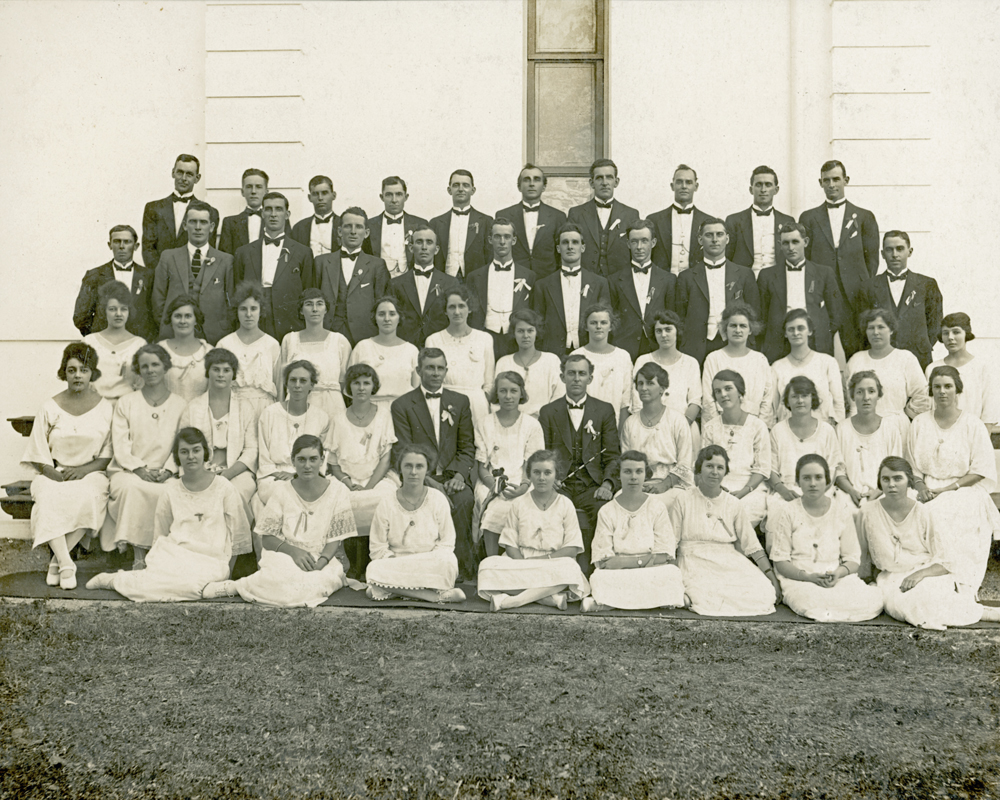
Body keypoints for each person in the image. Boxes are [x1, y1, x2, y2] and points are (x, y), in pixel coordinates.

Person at [88, 428, 252, 601]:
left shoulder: (223, 487)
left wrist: (227, 570)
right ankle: (114, 580)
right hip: (176, 554)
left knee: (189, 583)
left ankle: (210, 586)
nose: (191, 456)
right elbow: (161, 534)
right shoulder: (171, 490)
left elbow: (239, 533)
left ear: (205, 453)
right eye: (184, 452)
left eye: (196, 450)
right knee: (161, 580)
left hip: (211, 559)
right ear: (177, 457)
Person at [203, 435, 355, 606]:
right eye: (301, 460)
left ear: (322, 460)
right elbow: (267, 538)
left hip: (322, 558)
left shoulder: (337, 490)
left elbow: (335, 538)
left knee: (310, 585)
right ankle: (237, 586)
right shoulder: (283, 491)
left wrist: (321, 562)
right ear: (293, 461)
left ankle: (246, 587)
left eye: (313, 459)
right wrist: (294, 552)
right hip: (286, 555)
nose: (307, 466)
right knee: (279, 577)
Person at [858, 457, 1000, 629]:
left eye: (898, 478)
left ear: (909, 481)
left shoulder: (923, 513)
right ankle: (978, 612)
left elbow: (947, 561)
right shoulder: (867, 512)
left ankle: (981, 612)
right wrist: (870, 581)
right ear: (879, 482)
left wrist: (920, 574)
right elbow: (864, 556)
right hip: (891, 578)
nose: (892, 484)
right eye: (885, 479)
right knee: (907, 603)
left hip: (926, 573)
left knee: (929, 596)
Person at [21, 344, 113, 590]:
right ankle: (66, 563)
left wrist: (84, 471)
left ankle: (57, 562)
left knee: (93, 497)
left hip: (91, 473)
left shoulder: (105, 408)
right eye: (72, 370)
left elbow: (108, 453)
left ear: (92, 373)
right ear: (65, 373)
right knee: (47, 498)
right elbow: (38, 451)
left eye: (84, 370)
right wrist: (53, 473)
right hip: (56, 472)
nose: (78, 376)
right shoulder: (50, 407)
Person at [906, 366, 1000, 594]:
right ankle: (918, 575)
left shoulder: (972, 424)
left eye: (948, 386)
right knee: (907, 505)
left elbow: (980, 469)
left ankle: (956, 579)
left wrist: (948, 488)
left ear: (957, 390)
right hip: (926, 485)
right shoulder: (919, 423)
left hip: (962, 487)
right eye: (937, 387)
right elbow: (910, 464)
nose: (942, 392)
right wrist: (919, 486)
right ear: (931, 391)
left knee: (947, 509)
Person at [390, 348, 478, 580]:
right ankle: (424, 568)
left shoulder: (460, 402)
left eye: (440, 368)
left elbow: (467, 446)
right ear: (419, 371)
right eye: (430, 367)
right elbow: (403, 451)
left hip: (452, 477)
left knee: (464, 500)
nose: (435, 373)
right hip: (419, 478)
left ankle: (459, 567)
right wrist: (429, 482)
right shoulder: (402, 405)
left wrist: (459, 477)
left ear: (446, 371)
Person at [768, 454, 883, 622]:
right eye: (806, 478)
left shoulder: (841, 510)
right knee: (811, 604)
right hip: (800, 578)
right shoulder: (788, 511)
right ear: (798, 482)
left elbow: (852, 559)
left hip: (834, 577)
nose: (813, 483)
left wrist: (837, 573)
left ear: (827, 482)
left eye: (818, 477)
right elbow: (780, 561)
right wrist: (808, 577)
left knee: (870, 602)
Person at [667, 445, 779, 616]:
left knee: (763, 591)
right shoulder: (683, 499)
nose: (714, 472)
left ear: (726, 471)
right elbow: (671, 543)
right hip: (693, 559)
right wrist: (674, 578)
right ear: (699, 469)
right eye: (709, 466)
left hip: (727, 558)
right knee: (706, 596)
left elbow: (753, 546)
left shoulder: (733, 503)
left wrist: (771, 577)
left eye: (720, 467)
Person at [103, 344, 188, 566]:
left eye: (155, 365)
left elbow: (182, 443)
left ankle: (164, 557)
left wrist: (168, 469)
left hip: (166, 472)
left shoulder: (180, 404)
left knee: (172, 491)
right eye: (145, 366)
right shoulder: (127, 402)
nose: (150, 370)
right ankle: (138, 556)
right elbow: (120, 444)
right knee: (132, 489)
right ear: (138, 371)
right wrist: (139, 469)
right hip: (129, 470)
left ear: (165, 367)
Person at [477, 449, 590, 611]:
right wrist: (523, 563)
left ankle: (511, 601)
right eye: (536, 472)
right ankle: (549, 598)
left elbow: (572, 548)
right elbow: (510, 544)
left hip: (554, 561)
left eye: (547, 472)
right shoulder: (519, 503)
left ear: (556, 475)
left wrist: (544, 560)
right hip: (521, 561)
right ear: (529, 476)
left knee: (571, 569)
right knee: (487, 567)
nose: (542, 478)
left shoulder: (565, 504)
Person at [538, 354, 620, 572]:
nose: (576, 378)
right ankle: (557, 571)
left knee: (604, 509)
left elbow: (612, 454)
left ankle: (595, 571)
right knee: (553, 510)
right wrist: (549, 480)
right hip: (560, 486)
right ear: (562, 377)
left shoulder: (604, 410)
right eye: (571, 373)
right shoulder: (548, 412)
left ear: (590, 378)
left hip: (592, 486)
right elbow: (542, 454)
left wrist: (608, 485)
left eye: (581, 374)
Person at [584, 451, 685, 612]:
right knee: (599, 577)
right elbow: (603, 560)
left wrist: (627, 562)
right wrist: (644, 561)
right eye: (627, 471)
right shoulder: (607, 510)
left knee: (671, 573)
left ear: (646, 475)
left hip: (647, 570)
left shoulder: (657, 507)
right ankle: (655, 601)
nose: (633, 477)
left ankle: (607, 603)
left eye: (639, 471)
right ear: (618, 475)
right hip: (622, 573)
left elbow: (664, 554)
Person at [799, 160, 879, 359]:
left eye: (836, 179)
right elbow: (805, 258)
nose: (832, 184)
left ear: (846, 180)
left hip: (853, 294)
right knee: (819, 348)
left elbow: (872, 259)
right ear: (820, 183)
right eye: (827, 180)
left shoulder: (864, 216)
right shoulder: (808, 217)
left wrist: (861, 287)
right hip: (821, 293)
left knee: (857, 348)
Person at [365, 444, 466, 603]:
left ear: (427, 470)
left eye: (419, 466)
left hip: (430, 563)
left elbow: (447, 543)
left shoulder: (437, 499)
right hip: (397, 563)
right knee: (373, 569)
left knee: (448, 562)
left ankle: (394, 590)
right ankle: (434, 596)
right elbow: (377, 547)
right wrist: (396, 563)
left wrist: (428, 560)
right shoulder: (386, 502)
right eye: (408, 466)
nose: (413, 472)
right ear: (400, 469)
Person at [328, 364, 399, 577]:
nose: (361, 388)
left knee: (383, 499)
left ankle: (375, 562)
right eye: (356, 383)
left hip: (376, 478)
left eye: (366, 383)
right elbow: (333, 462)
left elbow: (386, 458)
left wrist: (368, 486)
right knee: (338, 500)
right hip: (346, 479)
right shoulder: (338, 418)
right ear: (349, 387)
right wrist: (348, 483)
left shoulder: (384, 415)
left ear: (373, 386)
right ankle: (350, 563)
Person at [474, 372, 544, 556]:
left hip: (523, 480)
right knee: (493, 507)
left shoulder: (532, 425)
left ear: (521, 393)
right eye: (503, 391)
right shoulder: (484, 423)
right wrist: (494, 486)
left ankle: (521, 558)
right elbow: (482, 466)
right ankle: (491, 560)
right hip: (491, 482)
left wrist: (523, 486)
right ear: (496, 394)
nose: (508, 396)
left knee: (521, 504)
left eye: (513, 391)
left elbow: (533, 464)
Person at [178, 347, 258, 506]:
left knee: (239, 491)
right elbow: (183, 445)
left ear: (233, 374)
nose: (221, 374)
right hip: (199, 470)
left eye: (226, 370)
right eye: (216, 369)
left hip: (235, 473)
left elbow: (251, 449)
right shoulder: (193, 407)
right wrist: (203, 472)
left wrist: (228, 474)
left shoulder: (245, 407)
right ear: (208, 372)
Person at [675, 219, 760, 366]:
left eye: (719, 234)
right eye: (709, 235)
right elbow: (679, 317)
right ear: (700, 240)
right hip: (697, 347)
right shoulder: (686, 277)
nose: (715, 240)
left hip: (733, 343)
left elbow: (754, 314)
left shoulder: (745, 275)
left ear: (727, 239)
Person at [254, 360, 332, 519]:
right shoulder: (270, 413)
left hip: (309, 475)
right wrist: (276, 473)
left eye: (303, 381)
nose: (297, 385)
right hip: (274, 478)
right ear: (286, 384)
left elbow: (322, 458)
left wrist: (297, 475)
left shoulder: (321, 418)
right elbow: (264, 457)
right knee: (284, 495)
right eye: (293, 380)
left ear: (312, 385)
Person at [234, 192, 314, 342]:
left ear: (287, 214)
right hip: (256, 317)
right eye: (268, 209)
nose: (273, 214)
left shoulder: (303, 252)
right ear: (262, 213)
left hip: (289, 319)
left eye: (278, 209)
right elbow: (237, 290)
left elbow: (307, 291)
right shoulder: (243, 252)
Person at [152, 200, 234, 345]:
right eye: (192, 222)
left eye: (203, 222)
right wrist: (168, 324)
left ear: (212, 227)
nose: (197, 227)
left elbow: (231, 301)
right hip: (173, 333)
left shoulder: (226, 260)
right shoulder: (168, 257)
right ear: (184, 225)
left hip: (214, 335)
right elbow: (158, 299)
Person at [757, 223, 842, 363]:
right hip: (779, 341)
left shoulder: (824, 273)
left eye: (795, 242)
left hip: (814, 341)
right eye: (786, 243)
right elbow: (762, 315)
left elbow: (836, 313)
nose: (791, 248)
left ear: (806, 242)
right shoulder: (767, 276)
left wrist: (819, 332)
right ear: (780, 245)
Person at [767, 377, 847, 527]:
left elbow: (833, 468)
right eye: (794, 396)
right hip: (787, 492)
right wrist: (783, 490)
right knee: (779, 515)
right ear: (787, 401)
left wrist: (814, 493)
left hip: (820, 491)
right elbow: (770, 469)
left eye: (804, 396)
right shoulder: (778, 430)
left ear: (813, 399)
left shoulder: (826, 430)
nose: (800, 401)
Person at [860, 230, 942, 371]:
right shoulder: (868, 287)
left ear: (909, 252)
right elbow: (862, 327)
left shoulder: (927, 284)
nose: (895, 255)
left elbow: (935, 324)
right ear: (882, 254)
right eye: (889, 250)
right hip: (881, 359)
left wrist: (919, 345)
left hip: (918, 358)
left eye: (900, 249)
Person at [701, 370, 771, 527]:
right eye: (718, 391)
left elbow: (762, 468)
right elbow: (704, 465)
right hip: (717, 486)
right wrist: (717, 488)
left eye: (728, 388)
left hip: (749, 489)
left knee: (740, 515)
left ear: (740, 392)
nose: (723, 394)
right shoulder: (710, 427)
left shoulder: (757, 426)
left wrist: (744, 491)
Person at [316, 206, 392, 346]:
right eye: (348, 226)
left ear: (366, 232)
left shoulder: (377, 265)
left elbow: (381, 303)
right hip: (328, 333)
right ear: (339, 231)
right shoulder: (321, 262)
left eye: (358, 227)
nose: (353, 232)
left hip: (364, 335)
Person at [532, 223, 611, 355]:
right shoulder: (543, 285)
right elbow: (537, 325)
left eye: (575, 242)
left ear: (583, 247)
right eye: (565, 242)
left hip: (589, 350)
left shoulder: (599, 283)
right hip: (553, 353)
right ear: (558, 248)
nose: (570, 247)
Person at [835, 370, 909, 508]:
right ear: (852, 396)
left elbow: (896, 468)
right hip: (849, 494)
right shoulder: (842, 429)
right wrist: (851, 491)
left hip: (883, 492)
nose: (866, 397)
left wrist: (879, 491)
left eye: (871, 391)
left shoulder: (890, 428)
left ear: (879, 395)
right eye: (859, 392)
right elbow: (838, 470)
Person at [466, 217, 537, 359]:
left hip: (515, 341)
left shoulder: (529, 276)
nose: (502, 242)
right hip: (485, 338)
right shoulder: (475, 276)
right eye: (497, 237)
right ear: (490, 239)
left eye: (507, 237)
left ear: (514, 240)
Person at [276, 289, 351, 421]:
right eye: (309, 304)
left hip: (332, 407)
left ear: (326, 309)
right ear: (301, 310)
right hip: (297, 406)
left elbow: (345, 382)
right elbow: (282, 382)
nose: (314, 309)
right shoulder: (290, 340)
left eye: (319, 304)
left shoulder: (339, 341)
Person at [425, 285, 495, 426]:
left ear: (469, 308)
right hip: (446, 403)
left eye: (461, 306)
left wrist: (481, 401)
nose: (457, 312)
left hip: (476, 405)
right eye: (451, 307)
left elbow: (489, 381)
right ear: (445, 310)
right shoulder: (433, 340)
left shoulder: (484, 338)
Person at [608, 219, 677, 361]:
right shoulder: (613, 280)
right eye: (634, 241)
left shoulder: (669, 279)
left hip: (657, 346)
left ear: (653, 243)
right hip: (624, 347)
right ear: (628, 244)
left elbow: (672, 317)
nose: (639, 247)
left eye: (644, 241)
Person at [74, 224, 156, 341]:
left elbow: (156, 313)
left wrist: (146, 339)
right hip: (105, 343)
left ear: (136, 246)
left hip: (139, 342)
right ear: (110, 245)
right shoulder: (94, 275)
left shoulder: (149, 276)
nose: (122, 246)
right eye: (117, 241)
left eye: (127, 242)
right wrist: (97, 337)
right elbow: (80, 316)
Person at [845, 307, 930, 419]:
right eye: (871, 328)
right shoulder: (856, 360)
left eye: (881, 327)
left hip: (894, 425)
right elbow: (845, 397)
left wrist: (903, 417)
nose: (876, 332)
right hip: (860, 426)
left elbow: (922, 395)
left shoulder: (905, 358)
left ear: (891, 330)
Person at [620, 363, 693, 492]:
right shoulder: (630, 423)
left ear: (662, 388)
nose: (643, 388)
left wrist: (664, 485)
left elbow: (685, 462)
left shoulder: (677, 420)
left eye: (650, 383)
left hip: (672, 484)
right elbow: (626, 460)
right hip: (638, 484)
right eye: (640, 383)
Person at [216, 281, 281, 424]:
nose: (249, 314)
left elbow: (279, 386)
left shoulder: (272, 344)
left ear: (261, 310)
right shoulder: (224, 344)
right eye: (243, 309)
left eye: (253, 308)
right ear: (236, 311)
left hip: (264, 411)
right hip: (233, 410)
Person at [141, 154, 219, 271]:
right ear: (173, 173)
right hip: (160, 278)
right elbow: (148, 248)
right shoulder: (153, 208)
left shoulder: (210, 212)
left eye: (189, 174)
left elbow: (206, 250)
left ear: (197, 178)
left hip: (191, 280)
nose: (183, 178)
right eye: (180, 172)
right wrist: (162, 275)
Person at [629, 311, 702, 433]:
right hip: (647, 429)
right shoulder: (643, 360)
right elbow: (636, 400)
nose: (663, 335)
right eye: (659, 331)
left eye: (668, 330)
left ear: (677, 331)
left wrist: (680, 428)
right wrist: (650, 427)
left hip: (683, 430)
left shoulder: (690, 363)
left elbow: (695, 401)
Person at [701, 303, 773, 427]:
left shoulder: (760, 360)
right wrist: (717, 428)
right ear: (725, 328)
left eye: (743, 326)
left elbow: (767, 400)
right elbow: (708, 400)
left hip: (754, 426)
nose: (738, 330)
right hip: (721, 425)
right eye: (733, 325)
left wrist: (760, 428)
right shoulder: (714, 359)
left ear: (750, 330)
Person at [770, 309, 846, 426]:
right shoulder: (777, 367)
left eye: (801, 328)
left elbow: (838, 403)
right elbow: (773, 408)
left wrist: (837, 430)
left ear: (809, 331)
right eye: (791, 329)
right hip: (788, 432)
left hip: (822, 431)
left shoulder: (827, 362)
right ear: (785, 334)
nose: (796, 333)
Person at [925, 313, 999, 431]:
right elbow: (929, 407)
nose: (950, 337)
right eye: (945, 333)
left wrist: (984, 436)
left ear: (966, 334)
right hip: (940, 432)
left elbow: (989, 408)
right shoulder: (933, 368)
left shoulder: (981, 367)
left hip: (972, 433)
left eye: (956, 332)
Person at [567, 158, 640, 277]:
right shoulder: (576, 213)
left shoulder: (631, 214)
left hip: (620, 283)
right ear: (591, 183)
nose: (604, 182)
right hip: (586, 281)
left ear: (616, 182)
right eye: (599, 178)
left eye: (609, 177)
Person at [390, 225, 459, 347]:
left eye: (429, 242)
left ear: (436, 249)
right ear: (411, 248)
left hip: (440, 345)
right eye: (419, 242)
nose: (424, 247)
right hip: (405, 345)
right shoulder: (396, 284)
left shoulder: (451, 283)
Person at [495, 163, 566, 279]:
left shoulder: (558, 216)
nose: (532, 184)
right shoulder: (504, 215)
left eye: (537, 180)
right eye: (526, 180)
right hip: (513, 277)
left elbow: (561, 253)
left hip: (548, 279)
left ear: (543, 187)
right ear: (519, 187)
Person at [724, 165, 795, 278]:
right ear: (751, 189)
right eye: (758, 185)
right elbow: (726, 258)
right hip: (744, 282)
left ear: (776, 190)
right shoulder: (734, 221)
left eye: (768, 184)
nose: (763, 190)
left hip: (777, 282)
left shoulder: (787, 221)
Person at [348, 296, 419, 406]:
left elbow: (417, 389)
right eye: (381, 314)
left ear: (399, 317)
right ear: (375, 318)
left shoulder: (411, 350)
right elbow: (350, 387)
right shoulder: (362, 347)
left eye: (392, 314)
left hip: (402, 411)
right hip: (369, 409)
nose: (387, 319)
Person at [82, 281, 145, 405]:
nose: (118, 314)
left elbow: (141, 386)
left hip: (127, 409)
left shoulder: (139, 344)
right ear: (104, 311)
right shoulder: (89, 342)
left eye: (123, 309)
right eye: (112, 309)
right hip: (94, 407)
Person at [571, 304, 634, 428]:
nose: (599, 327)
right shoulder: (577, 355)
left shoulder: (622, 356)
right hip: (581, 426)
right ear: (586, 326)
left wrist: (619, 435)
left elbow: (625, 401)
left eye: (604, 322)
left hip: (612, 427)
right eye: (593, 323)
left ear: (610, 326)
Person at [494, 308, 564, 418]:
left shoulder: (551, 360)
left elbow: (559, 398)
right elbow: (496, 401)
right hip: (511, 424)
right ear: (514, 333)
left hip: (543, 424)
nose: (525, 335)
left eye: (530, 330)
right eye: (520, 331)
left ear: (536, 333)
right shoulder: (503, 363)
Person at [649, 164, 713, 274]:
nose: (684, 186)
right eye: (679, 182)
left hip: (695, 286)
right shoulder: (654, 220)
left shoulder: (708, 222)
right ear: (672, 186)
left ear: (696, 186)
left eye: (688, 182)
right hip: (662, 285)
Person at [429, 169, 493, 278]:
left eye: (466, 185)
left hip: (475, 281)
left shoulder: (486, 221)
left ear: (473, 190)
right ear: (449, 190)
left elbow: (490, 256)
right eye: (456, 185)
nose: (461, 189)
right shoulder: (436, 223)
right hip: (444, 280)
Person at [363, 175, 426, 278]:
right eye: (388, 195)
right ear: (381, 197)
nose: (394, 200)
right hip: (379, 282)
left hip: (410, 282)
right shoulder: (370, 225)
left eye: (399, 194)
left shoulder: (419, 224)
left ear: (406, 197)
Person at [159, 295, 211, 402]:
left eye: (188, 316)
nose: (183, 321)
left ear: (196, 320)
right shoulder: (159, 350)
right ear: (170, 319)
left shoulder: (208, 352)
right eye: (178, 316)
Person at [218, 168, 269, 256]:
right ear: (242, 192)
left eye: (258, 187)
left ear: (266, 192)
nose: (253, 191)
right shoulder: (230, 222)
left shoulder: (278, 220)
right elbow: (225, 257)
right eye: (249, 187)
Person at [291, 175, 339, 257]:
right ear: (309, 198)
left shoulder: (344, 224)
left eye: (324, 193)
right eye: (315, 194)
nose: (320, 198)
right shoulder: (299, 228)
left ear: (333, 195)